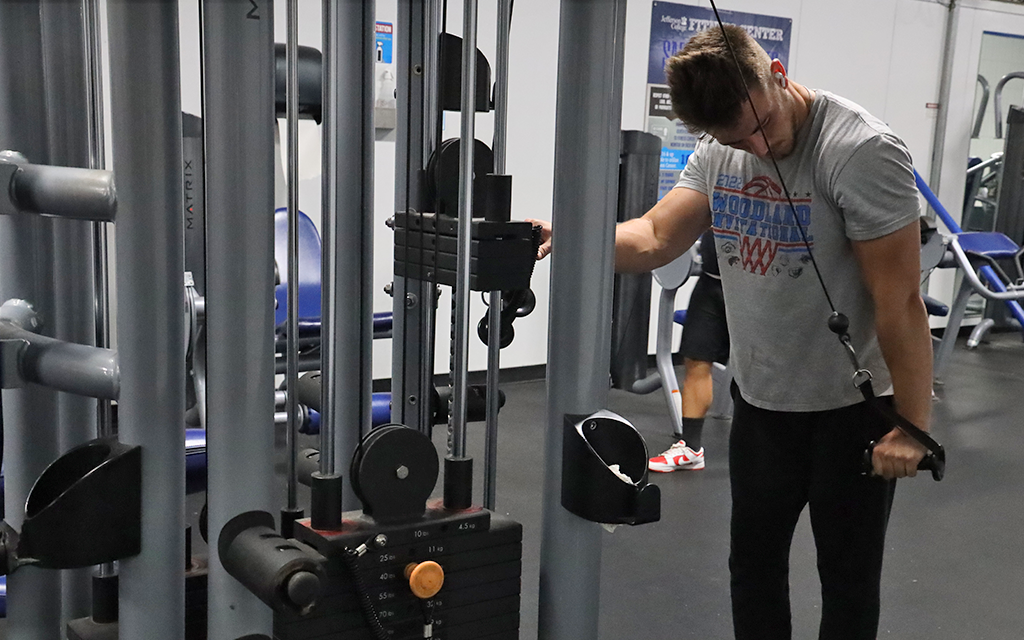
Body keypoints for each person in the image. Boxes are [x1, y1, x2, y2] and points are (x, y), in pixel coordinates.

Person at [533, 24, 933, 640]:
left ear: (775, 73)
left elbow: (900, 300)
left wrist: (912, 426)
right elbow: (656, 236)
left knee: (848, 580)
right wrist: (573, 231)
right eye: (735, 138)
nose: (757, 146)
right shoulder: (722, 149)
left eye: (762, 126)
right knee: (753, 567)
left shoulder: (860, 151)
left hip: (852, 409)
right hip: (762, 401)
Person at [647, 228, 729, 472]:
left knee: (758, 368)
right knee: (696, 359)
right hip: (710, 283)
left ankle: (769, 453)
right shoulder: (715, 189)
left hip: (755, 288)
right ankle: (691, 448)